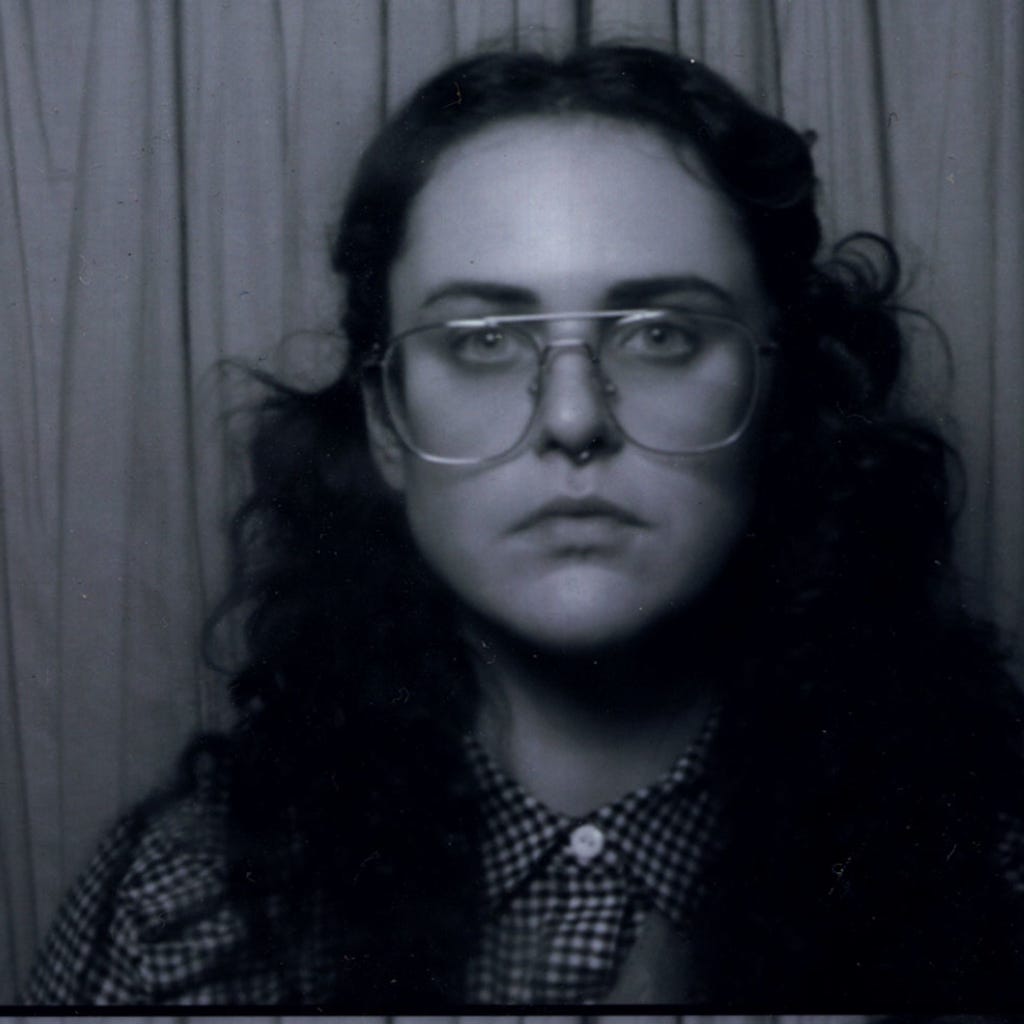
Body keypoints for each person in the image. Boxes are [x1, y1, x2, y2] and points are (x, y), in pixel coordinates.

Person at [25, 44, 1024, 1008]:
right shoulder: (174, 911)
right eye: (483, 340)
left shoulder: (991, 866)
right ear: (386, 424)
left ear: (779, 397)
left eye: (661, 334)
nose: (573, 420)